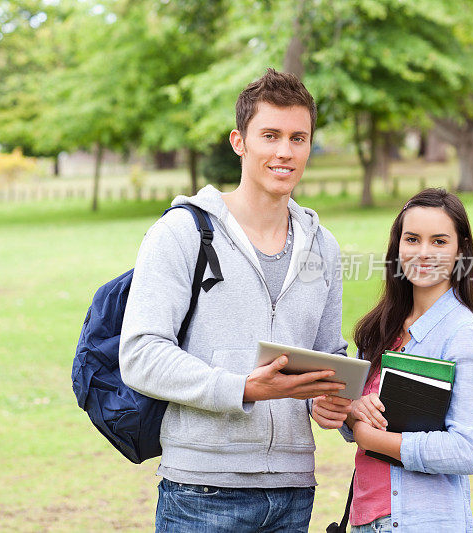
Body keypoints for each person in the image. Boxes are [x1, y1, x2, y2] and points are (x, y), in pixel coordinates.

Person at [119, 68, 352, 532]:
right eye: (270, 135)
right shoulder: (183, 232)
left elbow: (328, 357)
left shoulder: (323, 245)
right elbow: (140, 353)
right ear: (239, 141)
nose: (285, 152)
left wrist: (331, 402)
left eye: (298, 138)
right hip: (201, 491)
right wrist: (242, 387)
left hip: (293, 489)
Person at [313, 189, 473, 532]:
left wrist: (373, 438)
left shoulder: (462, 334)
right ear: (398, 247)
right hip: (367, 519)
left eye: (439, 242)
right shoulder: (378, 328)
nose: (423, 253)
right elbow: (357, 419)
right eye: (412, 239)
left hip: (422, 522)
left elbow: (469, 449)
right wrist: (351, 412)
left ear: (461, 250)